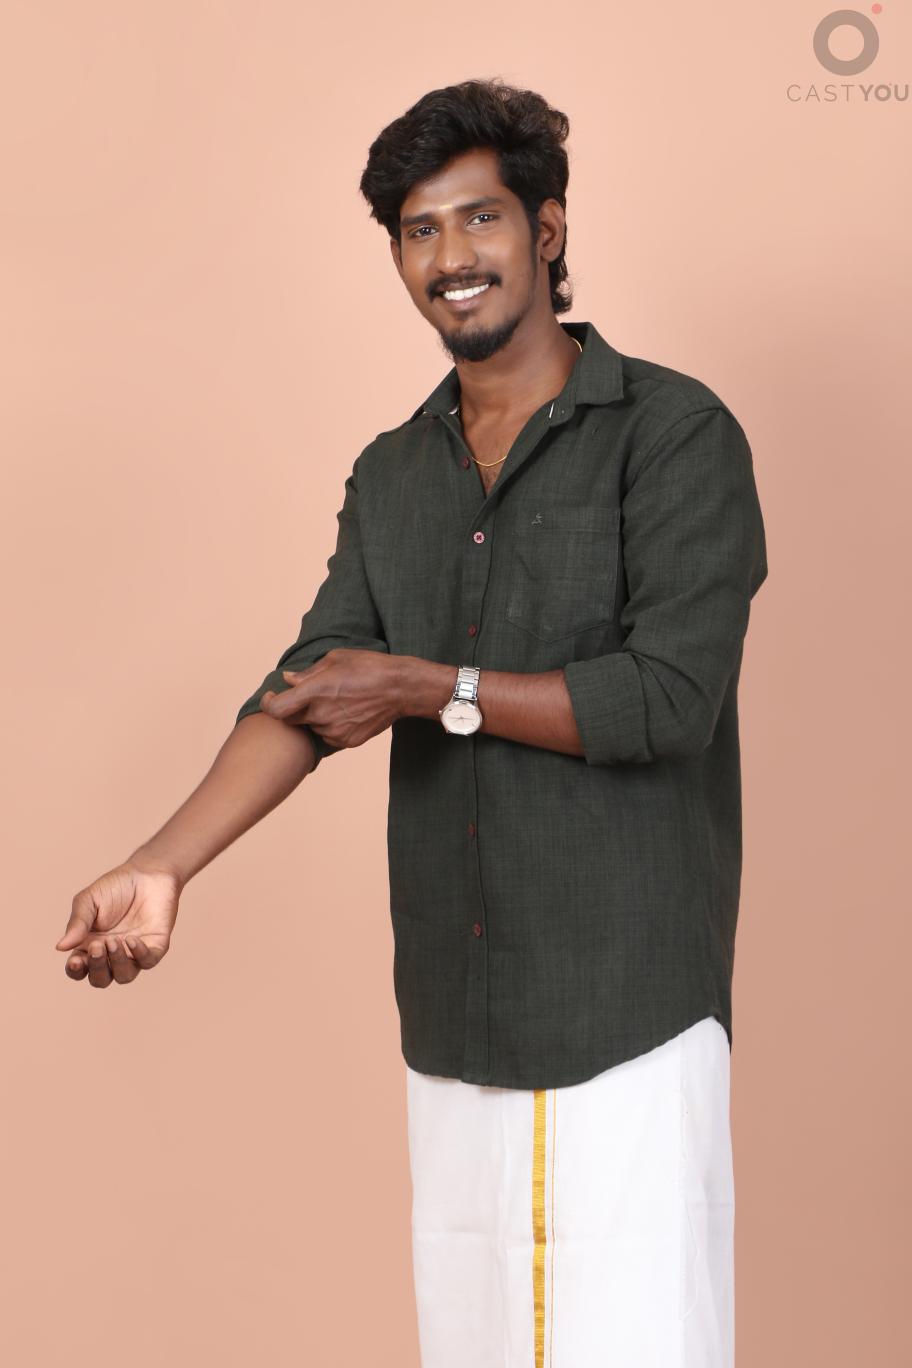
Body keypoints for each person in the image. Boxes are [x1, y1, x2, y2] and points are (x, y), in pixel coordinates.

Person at [56, 79, 768, 1368]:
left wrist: (431, 688)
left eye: (480, 217)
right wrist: (160, 866)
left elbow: (668, 697)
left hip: (625, 1016)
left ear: (548, 227)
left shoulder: (672, 434)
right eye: (419, 231)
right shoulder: (393, 473)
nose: (452, 257)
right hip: (455, 1019)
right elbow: (310, 690)